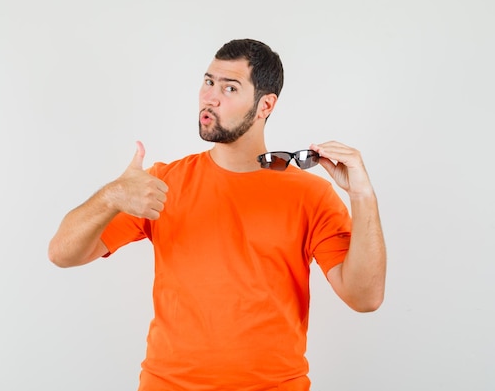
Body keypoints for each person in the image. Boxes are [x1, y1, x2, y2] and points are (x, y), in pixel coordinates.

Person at [48, 38, 386, 391]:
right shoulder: (163, 183)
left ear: (265, 105)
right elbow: (62, 253)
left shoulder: (310, 194)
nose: (210, 97)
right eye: (208, 82)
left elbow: (365, 297)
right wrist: (111, 196)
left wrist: (362, 194)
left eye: (230, 87)